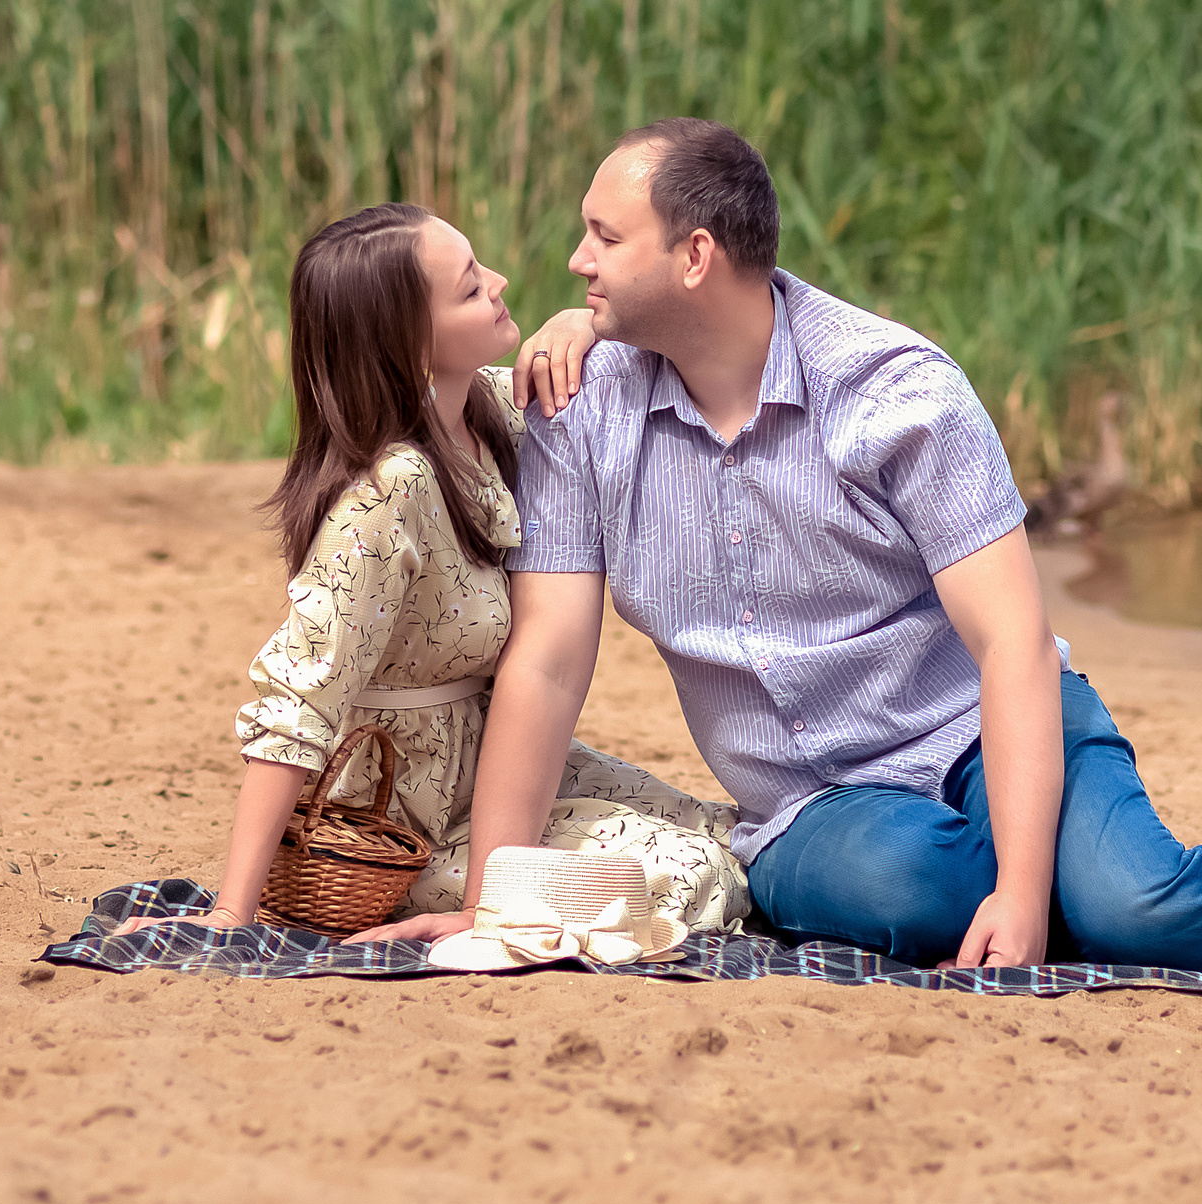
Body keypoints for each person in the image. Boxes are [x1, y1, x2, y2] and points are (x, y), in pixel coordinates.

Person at [360, 126, 1202, 977]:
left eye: (601, 235)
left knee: (1133, 897)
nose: (574, 260)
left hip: (985, 728)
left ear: (694, 256)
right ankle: (1070, 884)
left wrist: (1024, 890)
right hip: (813, 807)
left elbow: (1011, 645)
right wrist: (494, 906)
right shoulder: (580, 406)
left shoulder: (897, 392)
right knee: (917, 891)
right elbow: (548, 660)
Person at [115, 202, 746, 938]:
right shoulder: (386, 494)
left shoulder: (490, 411)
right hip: (402, 813)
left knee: (724, 829)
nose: (500, 282)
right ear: (414, 346)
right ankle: (478, 910)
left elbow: (598, 383)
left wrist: (582, 324)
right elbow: (298, 695)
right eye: (472, 287)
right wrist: (232, 910)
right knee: (692, 873)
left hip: (487, 762)